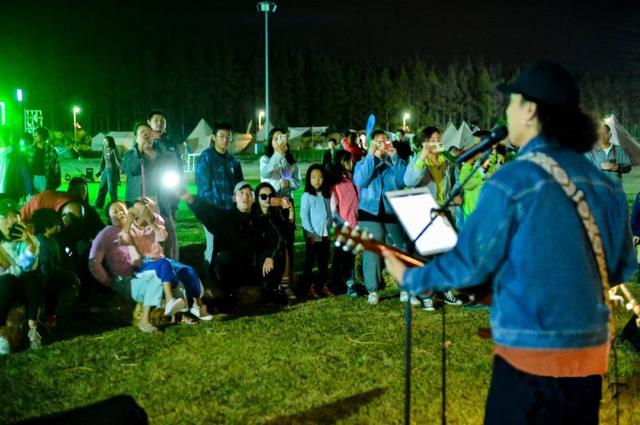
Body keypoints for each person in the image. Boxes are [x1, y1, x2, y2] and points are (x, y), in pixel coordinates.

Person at [383, 61, 636, 425]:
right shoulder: (607, 186)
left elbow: (468, 266)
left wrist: (410, 278)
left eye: (511, 102)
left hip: (528, 361)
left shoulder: (513, 180)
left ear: (530, 110)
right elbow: (621, 268)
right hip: (588, 359)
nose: (506, 111)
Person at [181, 181, 285, 309]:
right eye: (241, 193)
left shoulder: (260, 219)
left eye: (249, 193)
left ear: (253, 198)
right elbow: (207, 212)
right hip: (233, 270)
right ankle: (228, 293)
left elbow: (277, 238)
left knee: (275, 255)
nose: (245, 197)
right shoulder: (226, 218)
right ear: (234, 198)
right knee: (224, 257)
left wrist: (270, 256)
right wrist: (190, 199)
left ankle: (270, 289)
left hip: (254, 270)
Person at [119, 198, 211, 322]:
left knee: (188, 270)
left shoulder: (154, 222)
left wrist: (150, 221)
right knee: (164, 263)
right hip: (142, 264)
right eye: (137, 210)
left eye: (144, 209)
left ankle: (197, 305)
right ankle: (170, 301)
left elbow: (163, 236)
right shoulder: (129, 228)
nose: (140, 213)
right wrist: (128, 223)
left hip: (161, 260)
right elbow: (124, 240)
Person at [403, 127, 462, 308]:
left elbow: (453, 182)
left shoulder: (446, 161)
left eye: (439, 138)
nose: (438, 141)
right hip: (424, 212)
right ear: (425, 143)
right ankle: (424, 294)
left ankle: (444, 290)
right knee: (425, 256)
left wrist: (454, 195)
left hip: (443, 210)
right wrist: (423, 156)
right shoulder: (417, 162)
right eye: (434, 139)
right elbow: (408, 181)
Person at [89, 201, 167, 333]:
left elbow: (159, 224)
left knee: (171, 272)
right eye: (115, 211)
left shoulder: (136, 227)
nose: (120, 213)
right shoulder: (105, 235)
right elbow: (93, 262)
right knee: (156, 279)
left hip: (145, 270)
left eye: (122, 209)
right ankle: (144, 321)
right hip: (125, 279)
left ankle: (185, 311)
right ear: (108, 217)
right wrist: (108, 281)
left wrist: (151, 211)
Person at [353, 130, 407, 305]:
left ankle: (404, 287)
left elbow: (403, 182)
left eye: (385, 141)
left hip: (392, 211)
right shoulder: (363, 163)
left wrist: (395, 159)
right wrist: (371, 156)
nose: (382, 144)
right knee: (372, 252)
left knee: (398, 249)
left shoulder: (396, 163)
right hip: (370, 212)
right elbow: (360, 181)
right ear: (372, 144)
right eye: (378, 141)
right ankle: (373, 289)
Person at [122, 122, 180, 260]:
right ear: (135, 138)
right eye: (142, 133)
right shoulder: (130, 155)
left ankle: (170, 269)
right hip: (138, 209)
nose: (147, 136)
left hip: (161, 205)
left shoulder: (162, 152)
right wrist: (141, 151)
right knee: (140, 243)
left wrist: (153, 152)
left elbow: (172, 162)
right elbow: (132, 168)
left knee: (168, 240)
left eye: (149, 133)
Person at [195, 122, 244, 266]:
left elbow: (240, 185)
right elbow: (203, 187)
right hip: (213, 212)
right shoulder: (207, 157)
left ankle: (226, 280)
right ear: (214, 137)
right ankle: (209, 281)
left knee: (229, 247)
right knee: (212, 247)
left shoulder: (233, 161)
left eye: (228, 136)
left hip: (230, 212)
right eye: (221, 136)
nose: (225, 139)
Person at [0, 199, 41, 355]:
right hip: (3, 288)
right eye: (5, 216)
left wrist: (29, 242)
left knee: (30, 276)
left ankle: (33, 331)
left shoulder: (30, 240)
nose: (11, 220)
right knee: (7, 280)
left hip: (23, 289)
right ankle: (1, 335)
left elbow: (27, 266)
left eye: (15, 215)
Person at [31, 208, 80, 327]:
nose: (59, 226)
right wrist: (69, 275)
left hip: (52, 271)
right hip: (43, 276)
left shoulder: (51, 239)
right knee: (51, 285)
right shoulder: (41, 242)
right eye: (56, 224)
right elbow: (46, 267)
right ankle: (50, 315)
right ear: (47, 227)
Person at [252, 182, 296, 302]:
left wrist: (290, 212)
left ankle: (284, 285)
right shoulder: (254, 217)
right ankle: (270, 286)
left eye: (271, 196)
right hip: (259, 255)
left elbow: (286, 234)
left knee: (285, 248)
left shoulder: (276, 215)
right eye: (263, 196)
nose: (267, 199)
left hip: (275, 253)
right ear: (257, 198)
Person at [300, 164, 333, 299]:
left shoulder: (326, 195)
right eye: (313, 177)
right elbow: (304, 217)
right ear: (309, 179)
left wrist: (330, 227)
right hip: (314, 237)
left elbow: (329, 213)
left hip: (325, 235)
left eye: (320, 177)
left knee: (323, 262)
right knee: (310, 263)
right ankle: (308, 287)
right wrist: (310, 234)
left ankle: (322, 285)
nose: (317, 180)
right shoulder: (307, 196)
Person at [330, 150, 359, 296]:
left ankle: (350, 282)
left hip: (355, 222)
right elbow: (333, 208)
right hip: (344, 226)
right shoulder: (336, 182)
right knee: (343, 257)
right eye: (348, 160)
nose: (351, 163)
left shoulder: (351, 178)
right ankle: (346, 284)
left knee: (351, 256)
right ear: (341, 162)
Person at [260, 128, 301, 199]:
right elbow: (265, 174)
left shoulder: (290, 160)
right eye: (276, 139)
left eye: (281, 138)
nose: (279, 141)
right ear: (271, 142)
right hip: (270, 199)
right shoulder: (265, 159)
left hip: (287, 200)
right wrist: (278, 154)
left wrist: (289, 183)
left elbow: (298, 182)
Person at [0, 125, 33, 202]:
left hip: (11, 192)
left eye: (5, 133)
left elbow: (26, 172)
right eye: (1, 133)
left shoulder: (17, 153)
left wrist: (29, 189)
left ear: (10, 135)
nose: (2, 136)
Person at [27, 127, 61, 192]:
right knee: (32, 201)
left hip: (46, 179)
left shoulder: (51, 151)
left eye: (36, 134)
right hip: (32, 179)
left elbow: (57, 169)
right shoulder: (29, 150)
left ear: (42, 136)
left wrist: (56, 183)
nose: (34, 136)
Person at [95, 136, 121, 209]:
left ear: (110, 142)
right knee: (102, 187)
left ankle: (115, 205)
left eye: (106, 141)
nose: (104, 142)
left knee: (112, 189)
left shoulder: (114, 150)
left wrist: (123, 169)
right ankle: (98, 204)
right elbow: (102, 162)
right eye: (103, 141)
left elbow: (118, 161)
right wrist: (99, 171)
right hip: (105, 171)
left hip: (112, 172)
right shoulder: (104, 150)